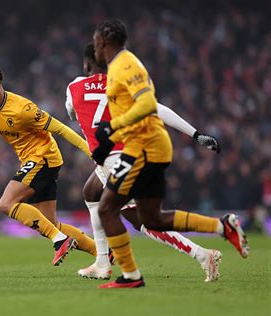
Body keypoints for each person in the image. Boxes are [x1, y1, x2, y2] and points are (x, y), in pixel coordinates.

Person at [91, 19, 248, 288]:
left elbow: (149, 104)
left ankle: (130, 275)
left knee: (106, 208)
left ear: (103, 41)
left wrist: (112, 127)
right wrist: (111, 139)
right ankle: (223, 226)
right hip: (143, 145)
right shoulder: (119, 66)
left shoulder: (126, 65)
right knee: (152, 218)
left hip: (144, 148)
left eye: (95, 41)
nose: (93, 47)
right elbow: (136, 113)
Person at [66, 43, 222, 282]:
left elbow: (71, 111)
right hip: (127, 155)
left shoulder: (74, 86)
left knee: (144, 220)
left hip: (116, 161)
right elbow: (157, 109)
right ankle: (101, 262)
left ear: (86, 64)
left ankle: (202, 254)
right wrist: (195, 134)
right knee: (91, 192)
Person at [0, 64, 96, 266]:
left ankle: (61, 241)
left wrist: (90, 150)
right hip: (35, 160)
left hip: (43, 157)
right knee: (50, 224)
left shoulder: (23, 109)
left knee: (5, 204)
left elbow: (62, 129)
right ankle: (102, 253)